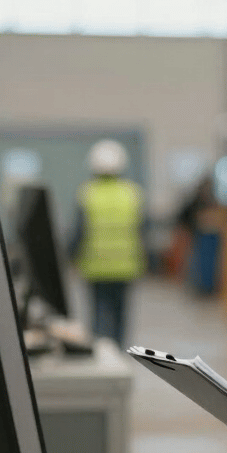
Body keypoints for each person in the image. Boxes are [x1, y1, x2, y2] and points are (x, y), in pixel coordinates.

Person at [71, 139, 146, 348]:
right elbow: (142, 231)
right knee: (121, 316)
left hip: (96, 266)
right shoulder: (132, 193)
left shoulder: (87, 193)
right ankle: (119, 352)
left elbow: (79, 232)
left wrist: (71, 258)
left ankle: (99, 354)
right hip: (125, 266)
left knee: (97, 316)